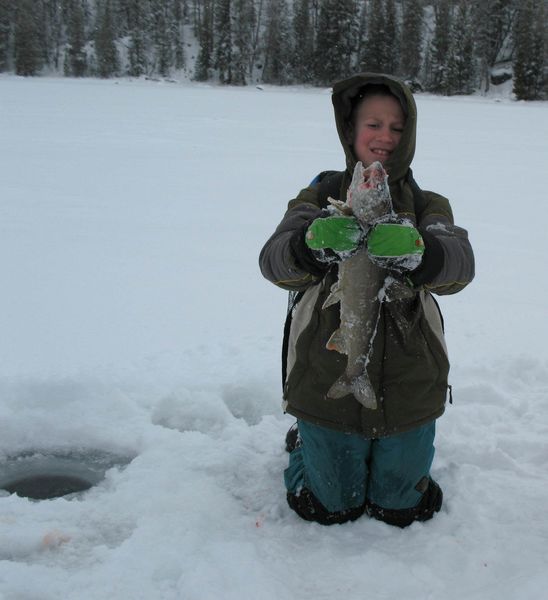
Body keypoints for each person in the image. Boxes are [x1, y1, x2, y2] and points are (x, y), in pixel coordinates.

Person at [259, 73, 474, 528]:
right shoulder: (321, 194)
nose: (385, 138)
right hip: (325, 376)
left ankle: (392, 469)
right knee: (329, 506)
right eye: (373, 124)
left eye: (397, 128)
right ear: (350, 128)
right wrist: (308, 243)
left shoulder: (428, 202)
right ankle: (307, 445)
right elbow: (274, 263)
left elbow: (460, 267)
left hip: (410, 384)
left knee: (400, 508)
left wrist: (424, 253)